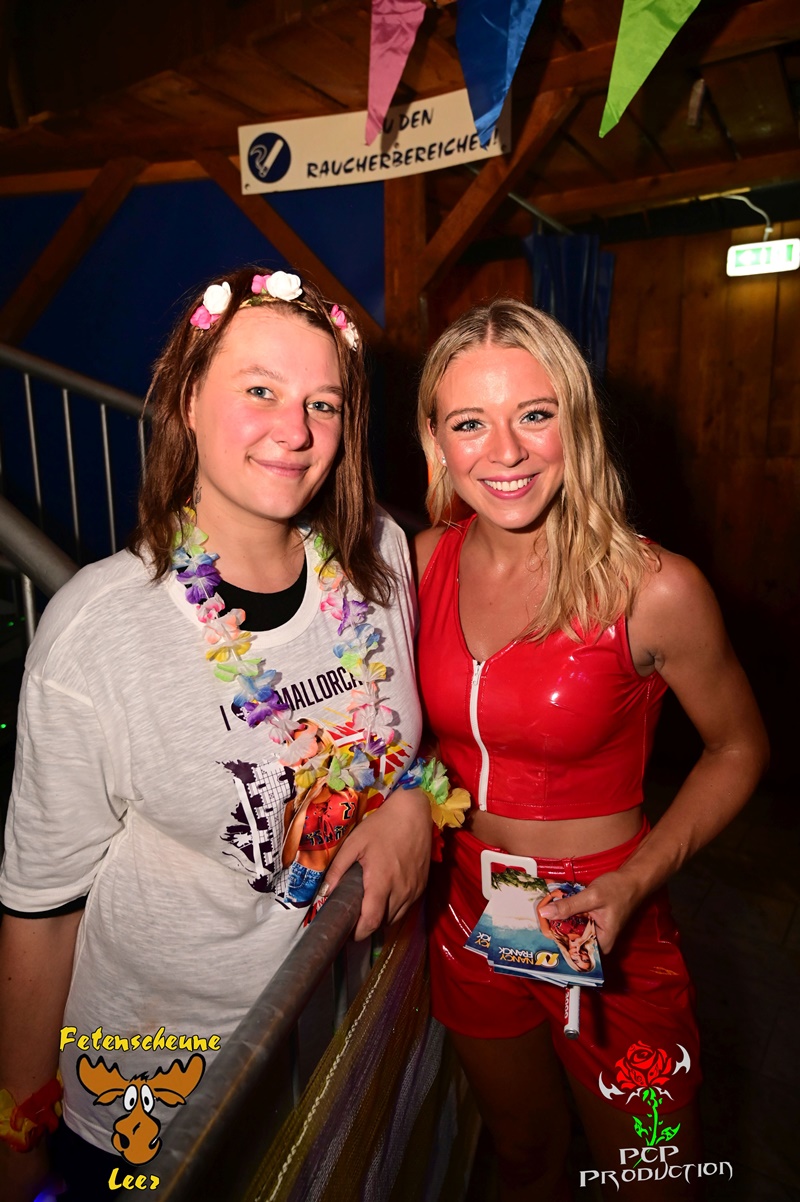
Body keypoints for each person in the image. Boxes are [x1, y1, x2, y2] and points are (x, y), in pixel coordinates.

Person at [0, 266, 431, 1201]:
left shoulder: (382, 557)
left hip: (338, 1036)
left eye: (323, 403)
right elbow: (41, 911)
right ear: (189, 399)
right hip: (158, 1089)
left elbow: (411, 742)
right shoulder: (100, 629)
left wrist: (411, 805)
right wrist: (16, 1128)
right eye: (260, 390)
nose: (295, 430)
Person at [413, 299, 768, 1201]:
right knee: (521, 1155)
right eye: (469, 423)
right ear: (436, 442)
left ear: (576, 423)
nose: (505, 451)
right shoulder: (421, 563)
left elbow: (737, 748)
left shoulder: (657, 588)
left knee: (651, 1176)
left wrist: (635, 881)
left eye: (534, 414)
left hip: (610, 923)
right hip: (466, 916)